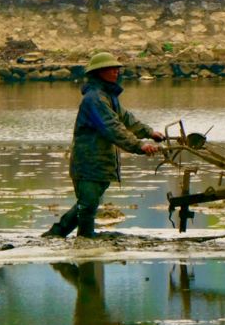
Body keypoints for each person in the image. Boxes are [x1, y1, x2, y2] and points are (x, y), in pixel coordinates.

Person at [41, 52, 164, 238]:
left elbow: (126, 119)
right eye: (110, 68)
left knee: (87, 204)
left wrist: (149, 132)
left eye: (117, 68)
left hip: (101, 162)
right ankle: (82, 239)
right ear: (99, 72)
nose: (116, 71)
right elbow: (112, 128)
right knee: (88, 205)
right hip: (89, 161)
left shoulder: (108, 96)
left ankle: (60, 236)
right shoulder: (94, 99)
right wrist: (139, 146)